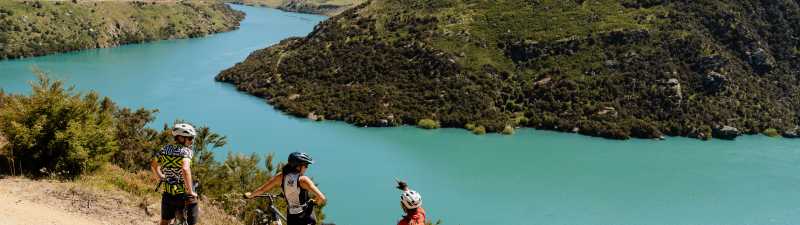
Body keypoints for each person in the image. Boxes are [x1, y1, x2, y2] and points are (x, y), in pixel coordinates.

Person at [245, 152, 327, 225]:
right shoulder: (303, 180)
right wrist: (314, 202)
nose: (307, 168)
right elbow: (322, 198)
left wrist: (251, 195)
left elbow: (262, 190)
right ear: (298, 166)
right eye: (306, 165)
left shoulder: (281, 176)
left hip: (292, 217)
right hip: (306, 218)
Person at [151, 123, 200, 225]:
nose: (192, 141)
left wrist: (160, 176)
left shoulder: (165, 149)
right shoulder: (186, 152)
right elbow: (185, 169)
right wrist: (190, 191)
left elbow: (154, 165)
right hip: (183, 194)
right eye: (190, 138)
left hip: (168, 193)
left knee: (165, 221)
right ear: (181, 138)